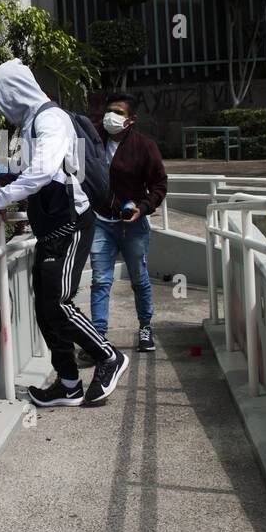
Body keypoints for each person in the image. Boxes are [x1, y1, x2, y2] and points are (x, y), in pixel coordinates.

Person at [0, 59, 130, 408]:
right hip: (52, 227)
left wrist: (1, 199)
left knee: (59, 303)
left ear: (14, 93)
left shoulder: (49, 118)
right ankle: (68, 383)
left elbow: (45, 169)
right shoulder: (33, 123)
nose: (3, 108)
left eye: (3, 99)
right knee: (46, 309)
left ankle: (108, 357)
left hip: (72, 225)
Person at [87, 91, 167, 355]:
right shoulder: (92, 140)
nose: (111, 116)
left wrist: (143, 208)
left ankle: (145, 326)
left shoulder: (145, 147)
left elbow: (159, 185)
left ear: (131, 119)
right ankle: (98, 337)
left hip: (132, 224)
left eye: (118, 112)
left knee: (139, 279)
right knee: (100, 281)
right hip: (100, 221)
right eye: (109, 110)